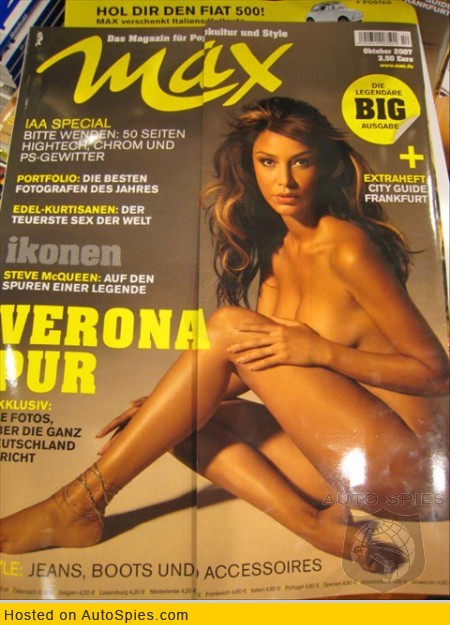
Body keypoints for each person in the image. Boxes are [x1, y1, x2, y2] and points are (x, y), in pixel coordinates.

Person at [1, 97, 448, 572]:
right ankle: (313, 526)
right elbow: (255, 360)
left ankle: (77, 504)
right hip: (343, 467)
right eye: (268, 162)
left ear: (325, 165)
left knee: (226, 328)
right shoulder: (278, 251)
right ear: (250, 167)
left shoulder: (348, 248)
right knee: (172, 425)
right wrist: (163, 407)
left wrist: (322, 351)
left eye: (301, 162)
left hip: (411, 472)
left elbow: (436, 374)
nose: (285, 180)